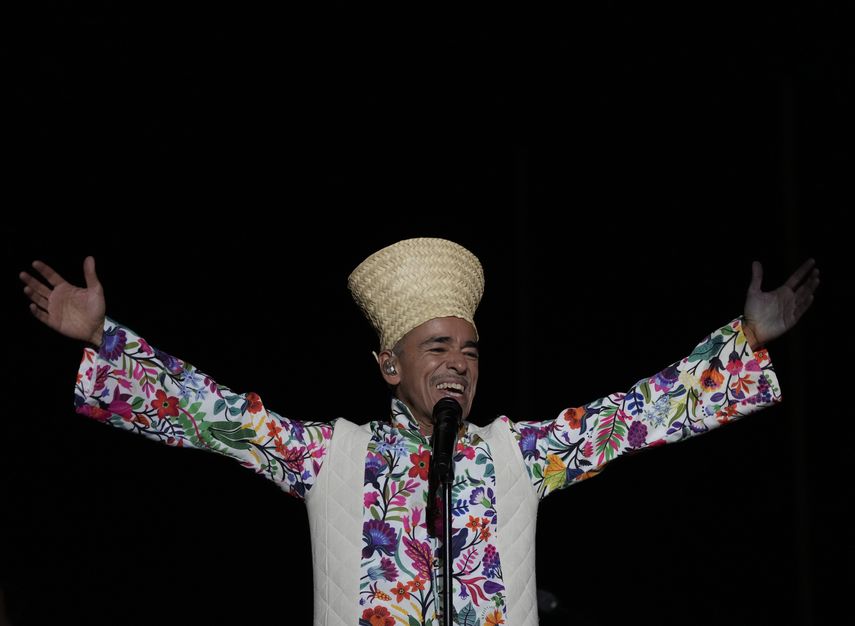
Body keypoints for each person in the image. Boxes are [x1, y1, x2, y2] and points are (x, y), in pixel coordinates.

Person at [19, 238, 819, 626]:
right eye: (436, 348)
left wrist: (742, 341)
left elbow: (635, 417)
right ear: (389, 366)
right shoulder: (331, 456)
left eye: (469, 349)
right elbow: (212, 414)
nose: (458, 365)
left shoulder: (519, 454)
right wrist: (104, 339)